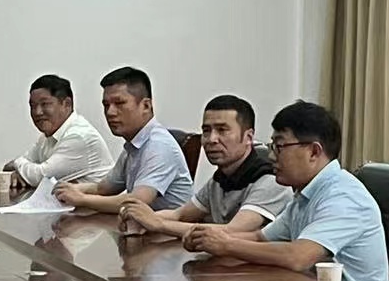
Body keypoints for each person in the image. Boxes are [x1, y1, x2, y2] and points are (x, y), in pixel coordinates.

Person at [186, 100, 389, 281]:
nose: (271, 156)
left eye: (280, 147)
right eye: (271, 146)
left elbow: (298, 256)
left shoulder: (344, 197)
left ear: (314, 152)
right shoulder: (305, 194)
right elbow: (260, 238)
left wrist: (226, 244)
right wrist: (205, 238)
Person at [119, 95, 290, 242]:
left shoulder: (271, 181)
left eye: (222, 130)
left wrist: (158, 224)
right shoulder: (220, 179)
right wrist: (139, 217)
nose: (211, 139)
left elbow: (232, 231)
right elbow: (179, 215)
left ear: (248, 137)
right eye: (206, 131)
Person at [54, 67, 194, 214]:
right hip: (141, 225)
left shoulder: (159, 146)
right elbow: (102, 189)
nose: (110, 112)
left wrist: (81, 199)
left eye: (119, 103)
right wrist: (69, 189)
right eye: (106, 105)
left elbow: (136, 201)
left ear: (146, 106)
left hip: (171, 228)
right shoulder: (133, 145)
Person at [3, 74, 114, 187]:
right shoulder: (47, 137)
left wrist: (16, 163)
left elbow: (40, 177)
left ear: (67, 104)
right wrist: (19, 172)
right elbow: (26, 166)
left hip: (96, 199)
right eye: (33, 105)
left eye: (45, 104)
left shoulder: (79, 136)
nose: (37, 112)